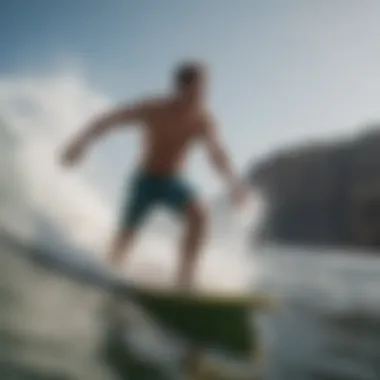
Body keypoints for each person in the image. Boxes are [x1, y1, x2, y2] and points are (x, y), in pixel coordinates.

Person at [61, 61, 246, 288]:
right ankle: (108, 273)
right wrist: (79, 143)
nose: (202, 95)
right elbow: (110, 120)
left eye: (204, 89)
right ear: (181, 88)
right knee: (121, 247)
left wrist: (234, 186)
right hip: (145, 182)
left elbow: (216, 154)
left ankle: (184, 281)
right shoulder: (154, 109)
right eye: (197, 89)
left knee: (199, 216)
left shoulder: (202, 120)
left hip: (172, 182)